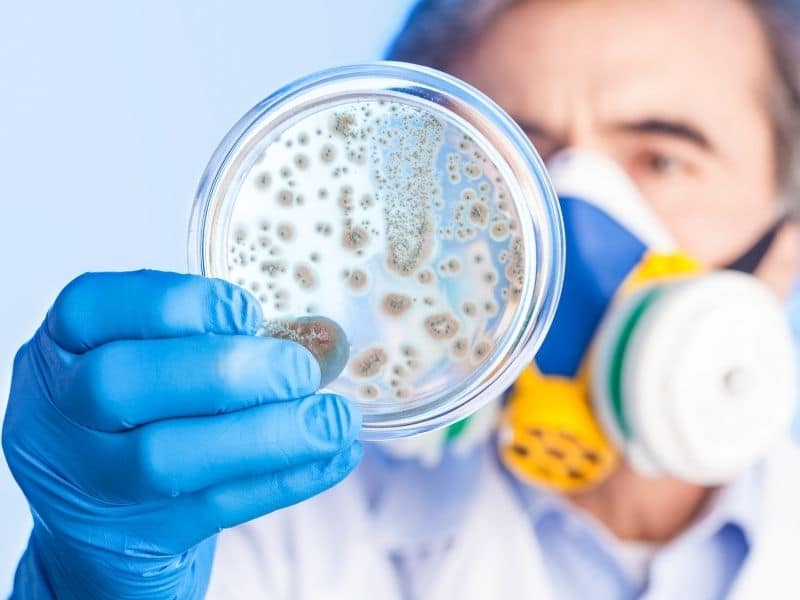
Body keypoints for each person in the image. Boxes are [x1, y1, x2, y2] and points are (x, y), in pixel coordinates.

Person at [3, 0, 799, 598]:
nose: (571, 215)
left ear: (786, 243)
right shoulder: (263, 527)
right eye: (510, 158)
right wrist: (80, 578)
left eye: (662, 160)